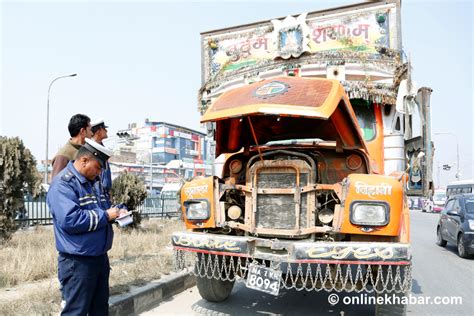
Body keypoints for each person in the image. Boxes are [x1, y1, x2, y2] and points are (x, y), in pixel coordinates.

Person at [47, 138, 125, 315]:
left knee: (99, 310)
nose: (99, 174)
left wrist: (118, 211)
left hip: (99, 258)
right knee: (76, 312)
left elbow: (105, 208)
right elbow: (70, 220)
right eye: (97, 167)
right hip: (78, 263)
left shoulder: (94, 184)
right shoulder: (62, 185)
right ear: (83, 160)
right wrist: (106, 215)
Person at [51, 114, 92, 179]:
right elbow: (57, 185)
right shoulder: (63, 156)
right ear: (83, 131)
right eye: (90, 130)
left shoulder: (85, 151)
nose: (92, 134)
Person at [91, 119, 112, 207]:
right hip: (96, 196)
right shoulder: (90, 149)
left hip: (105, 196)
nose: (106, 130)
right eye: (104, 128)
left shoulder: (103, 149)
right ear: (98, 131)